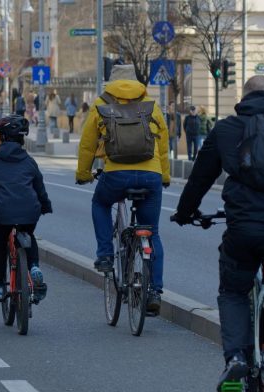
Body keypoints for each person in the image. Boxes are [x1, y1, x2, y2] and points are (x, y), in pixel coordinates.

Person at [170, 76, 264, 390]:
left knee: (234, 290)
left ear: (244, 96)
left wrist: (185, 213)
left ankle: (237, 358)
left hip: (244, 231)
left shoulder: (226, 130)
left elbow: (200, 178)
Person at [75, 64, 170, 313]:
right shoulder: (151, 103)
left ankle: (105, 254)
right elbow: (162, 142)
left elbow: (87, 144)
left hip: (116, 174)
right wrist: (165, 176)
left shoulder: (101, 103)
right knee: (152, 232)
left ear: (111, 81)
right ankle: (155, 292)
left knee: (100, 203)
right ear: (136, 81)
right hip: (151, 175)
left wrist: (83, 174)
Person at [0, 115, 52, 301]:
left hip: (4, 212)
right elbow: (39, 187)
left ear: (3, 137)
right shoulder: (29, 161)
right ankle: (34, 266)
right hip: (30, 211)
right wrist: (46, 206)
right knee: (28, 235)